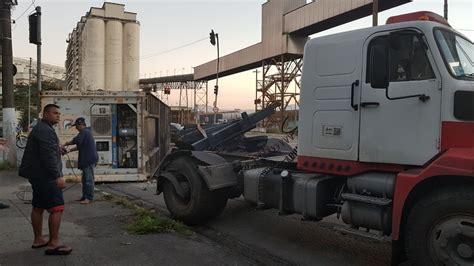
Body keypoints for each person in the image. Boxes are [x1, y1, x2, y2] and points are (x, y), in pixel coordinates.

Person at [19, 104, 72, 255]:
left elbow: (45, 151)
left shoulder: (41, 129)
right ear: (45, 114)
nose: (58, 115)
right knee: (57, 207)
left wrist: (57, 149)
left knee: (38, 207)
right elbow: (47, 157)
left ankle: (38, 239)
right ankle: (54, 242)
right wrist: (58, 176)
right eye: (55, 113)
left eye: (59, 113)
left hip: (36, 175)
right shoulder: (45, 131)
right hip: (46, 176)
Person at [63, 117, 98, 204]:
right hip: (87, 159)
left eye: (77, 126)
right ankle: (84, 196)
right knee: (84, 180)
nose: (76, 128)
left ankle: (89, 198)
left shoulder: (84, 132)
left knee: (89, 180)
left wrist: (66, 143)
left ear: (81, 125)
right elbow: (79, 146)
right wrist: (69, 150)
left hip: (89, 159)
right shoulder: (86, 133)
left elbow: (76, 140)